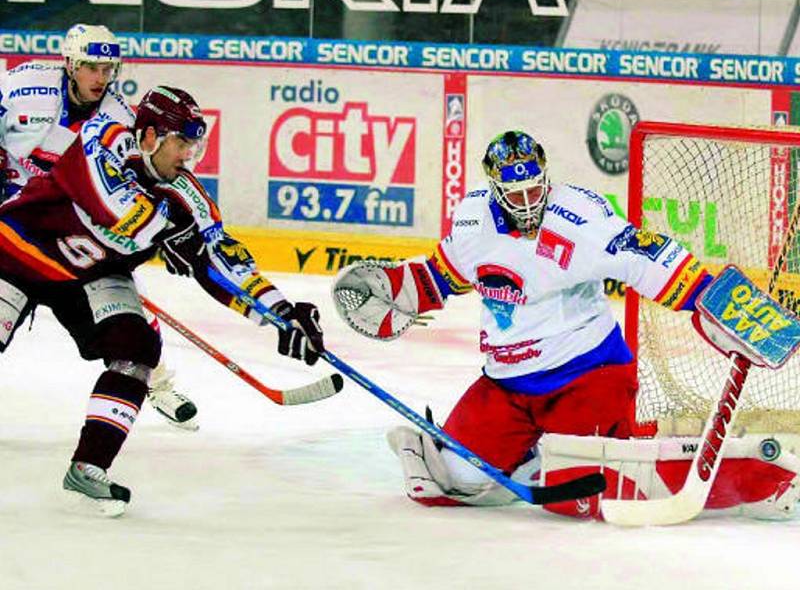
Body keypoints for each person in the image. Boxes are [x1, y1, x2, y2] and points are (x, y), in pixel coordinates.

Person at [331, 130, 800, 516]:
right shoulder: (474, 220)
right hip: (506, 387)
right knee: (451, 480)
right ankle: (535, 457)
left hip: (586, 379)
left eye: (535, 188)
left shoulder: (580, 219)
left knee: (581, 498)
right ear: (495, 189)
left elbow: (647, 258)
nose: (529, 201)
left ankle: (765, 479)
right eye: (516, 194)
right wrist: (400, 289)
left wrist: (712, 301)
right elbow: (441, 273)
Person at [0, 85, 329, 516]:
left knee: (137, 349)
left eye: (194, 143)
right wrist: (168, 233)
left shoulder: (185, 197)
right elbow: (112, 206)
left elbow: (221, 258)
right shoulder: (105, 138)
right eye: (182, 142)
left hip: (92, 275)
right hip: (18, 250)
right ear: (151, 136)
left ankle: (89, 466)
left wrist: (280, 312)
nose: (189, 154)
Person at [0, 23, 199, 430]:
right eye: (92, 67)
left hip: (65, 228)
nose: (101, 78)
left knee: (124, 308)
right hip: (15, 222)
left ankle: (154, 382)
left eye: (109, 69)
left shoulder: (119, 120)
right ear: (71, 64)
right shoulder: (23, 85)